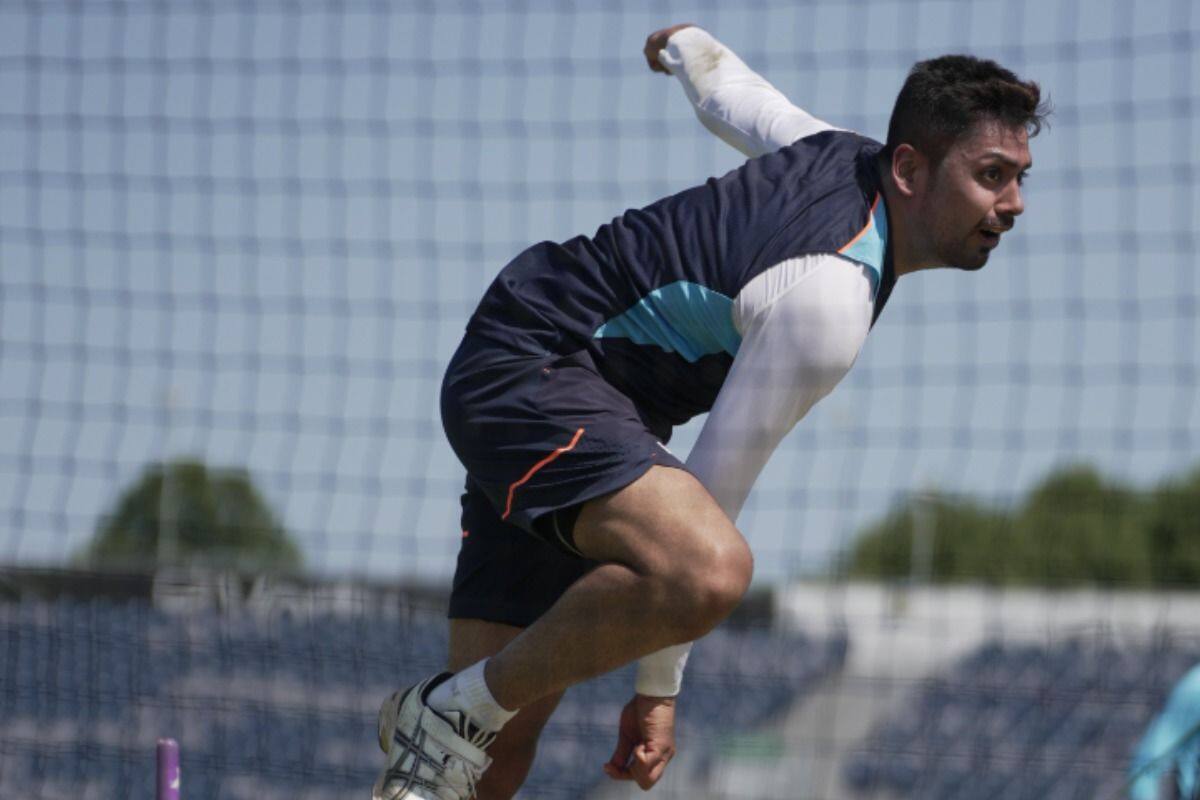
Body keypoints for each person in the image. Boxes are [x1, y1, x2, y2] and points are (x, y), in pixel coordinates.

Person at [373, 22, 1046, 800]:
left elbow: (738, 98)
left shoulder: (836, 151)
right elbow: (711, 506)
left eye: (1020, 177)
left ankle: (454, 721)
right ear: (909, 169)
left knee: (497, 751)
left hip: (562, 387)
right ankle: (449, 710)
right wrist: (659, 691)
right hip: (537, 373)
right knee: (712, 569)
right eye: (992, 175)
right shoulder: (829, 300)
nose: (1014, 203)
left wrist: (685, 46)